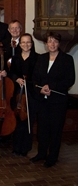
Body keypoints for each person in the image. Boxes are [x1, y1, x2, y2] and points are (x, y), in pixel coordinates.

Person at [30, 32, 75, 168]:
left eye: (55, 41)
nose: (52, 44)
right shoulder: (42, 58)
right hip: (42, 100)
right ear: (46, 43)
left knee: (55, 130)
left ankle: (52, 157)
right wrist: (40, 89)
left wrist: (52, 86)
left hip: (58, 101)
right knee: (42, 129)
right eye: (50, 41)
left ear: (59, 43)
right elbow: (35, 77)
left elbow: (70, 79)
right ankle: (41, 153)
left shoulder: (67, 59)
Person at [9, 33, 38, 157]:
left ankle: (25, 147)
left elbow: (39, 76)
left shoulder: (38, 58)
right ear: (19, 44)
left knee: (27, 120)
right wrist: (17, 79)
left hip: (31, 93)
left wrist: (29, 82)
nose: (26, 44)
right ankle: (16, 147)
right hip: (17, 93)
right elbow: (10, 73)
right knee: (17, 119)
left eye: (28, 42)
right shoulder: (15, 58)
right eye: (23, 42)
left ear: (32, 44)